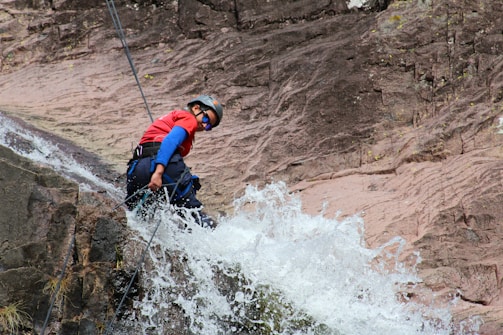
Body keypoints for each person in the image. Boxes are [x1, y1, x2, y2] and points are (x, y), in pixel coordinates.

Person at [125, 94, 223, 228]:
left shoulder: (173, 118)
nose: (204, 125)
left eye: (208, 126)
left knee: (140, 214)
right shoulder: (189, 119)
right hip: (161, 166)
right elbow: (170, 141)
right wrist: (158, 173)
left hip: (137, 167)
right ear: (196, 108)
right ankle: (216, 235)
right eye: (206, 118)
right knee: (191, 211)